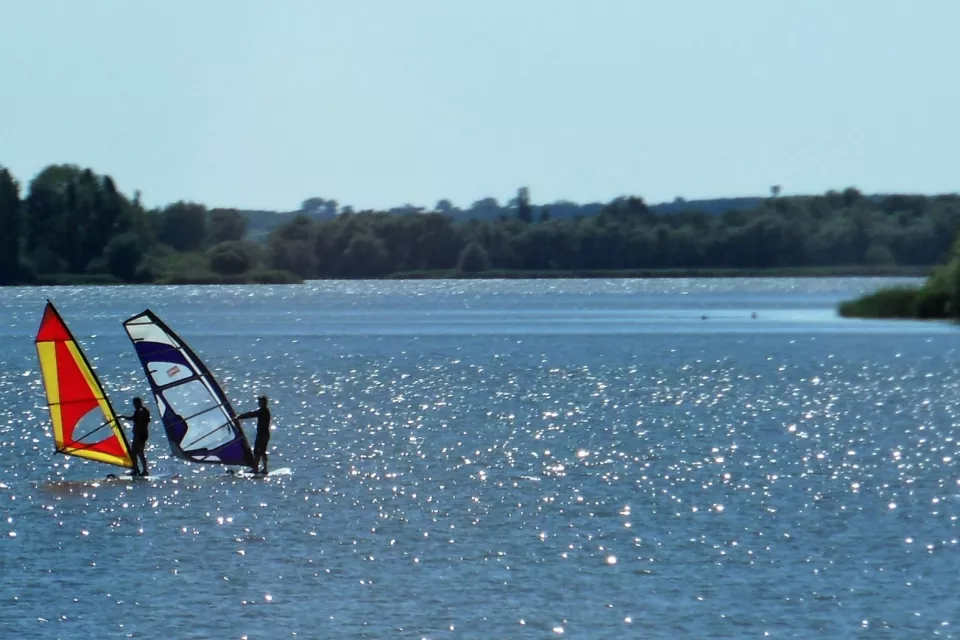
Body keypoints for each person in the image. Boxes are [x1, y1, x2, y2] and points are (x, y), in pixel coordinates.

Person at [237, 395, 271, 475]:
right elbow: (253, 414)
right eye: (259, 402)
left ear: (264, 403)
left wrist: (240, 417)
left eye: (261, 402)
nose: (260, 403)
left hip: (263, 435)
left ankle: (257, 469)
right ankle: (262, 469)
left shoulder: (263, 411)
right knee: (261, 452)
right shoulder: (263, 410)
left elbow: (252, 414)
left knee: (258, 452)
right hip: (263, 434)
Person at [120, 397, 150, 476]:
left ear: (140, 403)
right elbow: (132, 418)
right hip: (141, 435)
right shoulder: (139, 411)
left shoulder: (141, 411)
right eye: (134, 404)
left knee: (133, 453)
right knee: (140, 453)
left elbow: (139, 421)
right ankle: (144, 471)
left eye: (136, 403)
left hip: (140, 435)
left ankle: (136, 470)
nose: (135, 405)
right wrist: (122, 417)